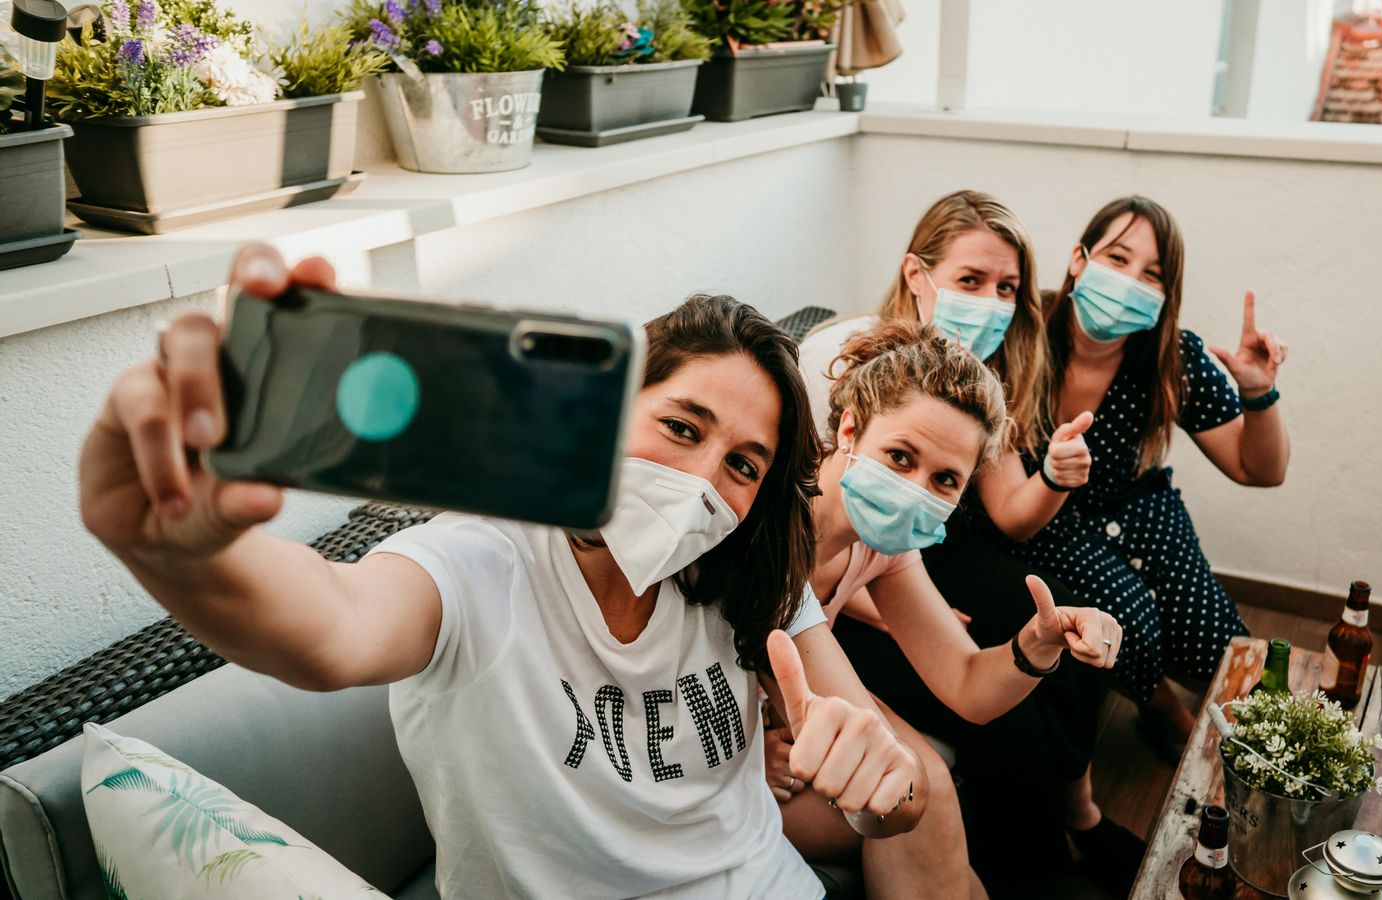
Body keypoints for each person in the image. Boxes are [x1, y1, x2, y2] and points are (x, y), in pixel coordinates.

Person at [78, 245, 928, 900]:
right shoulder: (484, 558)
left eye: (744, 465)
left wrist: (880, 788)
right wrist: (187, 551)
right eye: (680, 427)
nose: (703, 481)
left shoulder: (750, 576)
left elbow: (894, 799)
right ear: (605, 413)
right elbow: (332, 628)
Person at [799, 193, 1139, 894]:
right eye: (900, 459)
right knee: (921, 787)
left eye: (946, 479)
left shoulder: (889, 545)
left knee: (937, 777)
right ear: (848, 431)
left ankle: (1068, 835)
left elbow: (967, 685)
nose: (917, 489)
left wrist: (1034, 647)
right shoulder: (782, 540)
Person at [1001, 195, 1290, 749]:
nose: (1130, 280)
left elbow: (1261, 469)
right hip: (1046, 519)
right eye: (1117, 258)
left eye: (1152, 275)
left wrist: (1258, 391)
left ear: (1165, 296)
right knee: (1128, 616)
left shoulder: (1169, 356)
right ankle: (1155, 699)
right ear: (1078, 260)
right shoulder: (1021, 331)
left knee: (1223, 651)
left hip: (1137, 507)